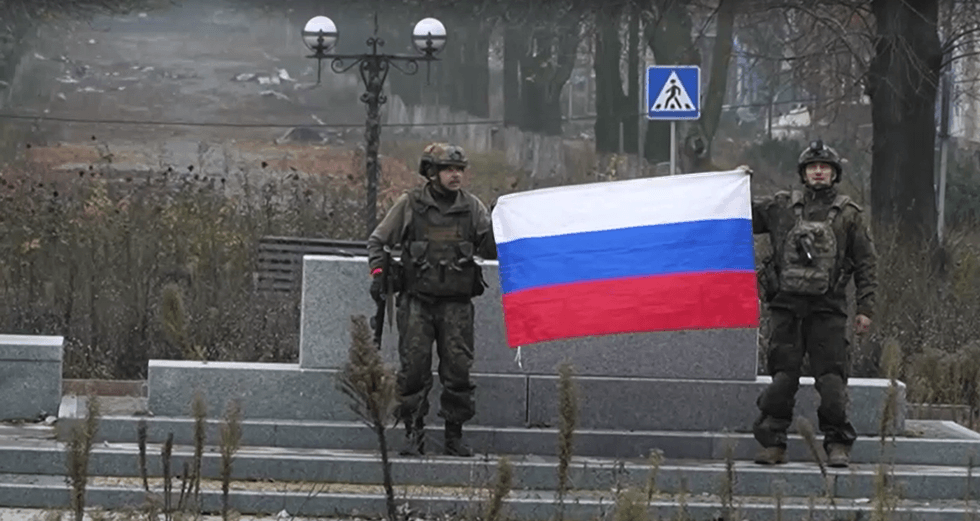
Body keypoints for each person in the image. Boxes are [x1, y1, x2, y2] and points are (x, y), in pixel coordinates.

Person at [748, 140, 877, 468]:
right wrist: (738, 182)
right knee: (782, 380)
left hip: (828, 310)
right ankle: (773, 443)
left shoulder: (849, 215)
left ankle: (838, 444)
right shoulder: (779, 207)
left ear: (834, 174)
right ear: (803, 173)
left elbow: (866, 264)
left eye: (825, 167)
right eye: (812, 167)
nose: (818, 172)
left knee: (832, 382)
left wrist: (866, 308)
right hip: (786, 309)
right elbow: (739, 215)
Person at [366, 142, 496, 457]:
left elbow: (490, 250)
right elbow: (378, 241)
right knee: (413, 370)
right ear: (432, 172)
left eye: (459, 169)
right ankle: (413, 432)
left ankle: (454, 435)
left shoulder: (472, 207)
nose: (456, 175)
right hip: (417, 303)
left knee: (458, 370)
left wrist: (501, 225)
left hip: (457, 304)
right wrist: (379, 274)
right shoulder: (411, 204)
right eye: (448, 169)